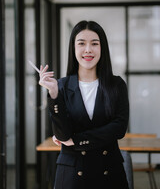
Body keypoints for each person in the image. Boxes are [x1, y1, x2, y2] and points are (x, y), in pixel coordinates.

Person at [39, 20, 129, 189]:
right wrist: (53, 94)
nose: (88, 49)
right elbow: (63, 136)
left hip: (109, 171)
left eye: (94, 43)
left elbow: (119, 128)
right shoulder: (61, 86)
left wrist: (78, 140)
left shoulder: (116, 85)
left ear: (102, 48)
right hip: (72, 174)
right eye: (81, 43)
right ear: (73, 48)